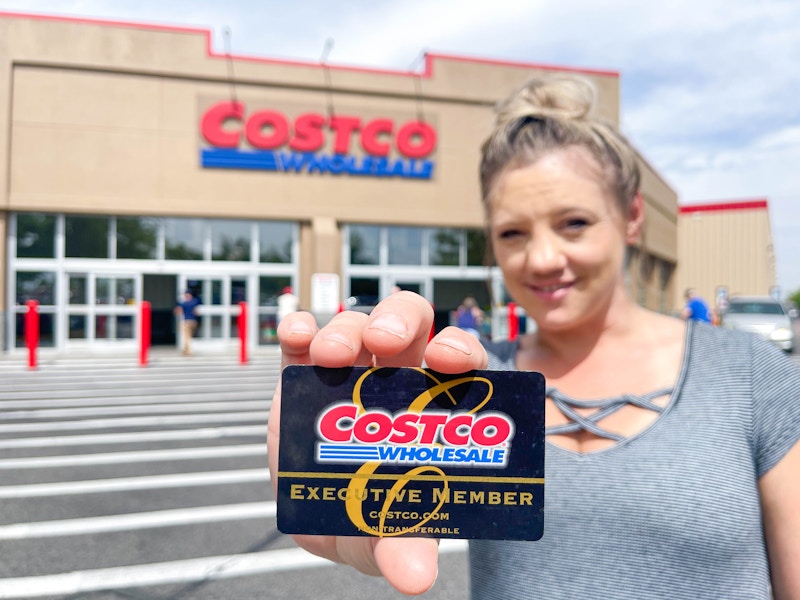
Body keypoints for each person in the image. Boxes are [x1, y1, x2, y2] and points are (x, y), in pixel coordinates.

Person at [268, 75, 800, 598]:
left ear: (632, 215)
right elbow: (381, 509)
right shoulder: (462, 387)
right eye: (513, 232)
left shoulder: (752, 376)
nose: (542, 259)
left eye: (573, 223)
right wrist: (340, 493)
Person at [174, 290, 200, 355]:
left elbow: (178, 311)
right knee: (189, 336)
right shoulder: (195, 301)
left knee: (186, 336)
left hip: (186, 321)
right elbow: (196, 311)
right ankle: (186, 350)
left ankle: (188, 350)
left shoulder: (183, 303)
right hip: (194, 321)